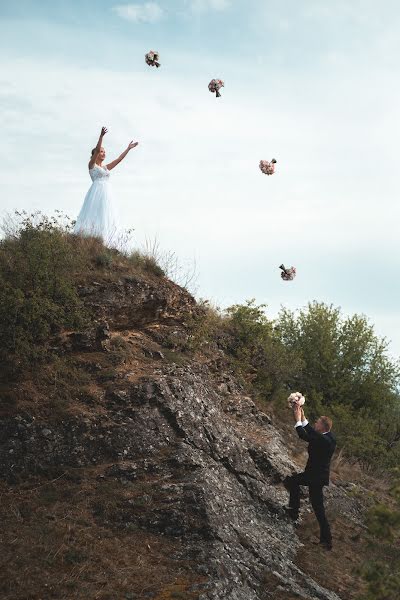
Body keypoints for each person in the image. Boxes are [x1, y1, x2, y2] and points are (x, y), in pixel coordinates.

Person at [73, 126, 139, 244]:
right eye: (101, 151)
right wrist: (101, 136)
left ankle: (104, 241)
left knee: (106, 215)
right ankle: (88, 239)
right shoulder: (92, 165)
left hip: (107, 193)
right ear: (95, 154)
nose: (103, 153)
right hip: (97, 192)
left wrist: (128, 149)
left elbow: (118, 159)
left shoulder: (105, 167)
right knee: (94, 213)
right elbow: (97, 149)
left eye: (104, 152)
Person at [284, 404, 336, 550]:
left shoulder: (323, 440)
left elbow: (303, 434)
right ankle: (327, 542)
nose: (315, 423)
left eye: (317, 422)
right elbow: (311, 432)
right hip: (317, 477)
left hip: (314, 476)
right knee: (318, 509)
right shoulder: (329, 437)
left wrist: (297, 419)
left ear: (323, 427)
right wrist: (302, 413)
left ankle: (293, 511)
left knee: (292, 481)